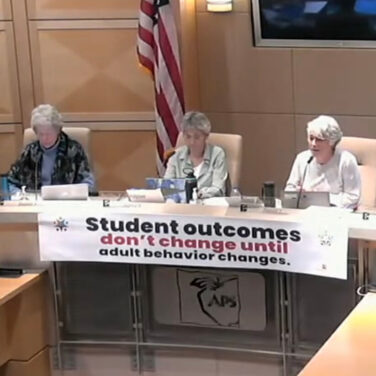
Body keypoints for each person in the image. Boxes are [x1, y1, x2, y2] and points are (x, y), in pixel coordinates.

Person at [7, 104, 95, 193]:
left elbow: (88, 183)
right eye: (41, 134)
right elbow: (10, 182)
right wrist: (19, 194)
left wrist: (73, 194)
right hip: (35, 203)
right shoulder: (30, 151)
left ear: (58, 131)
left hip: (65, 203)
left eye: (49, 134)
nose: (45, 138)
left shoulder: (73, 150)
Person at [285, 115, 361, 209]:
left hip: (336, 215)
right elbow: (288, 192)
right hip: (305, 213)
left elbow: (352, 197)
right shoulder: (302, 158)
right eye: (311, 138)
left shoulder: (346, 161)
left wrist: (317, 198)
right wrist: (296, 193)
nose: (313, 144)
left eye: (319, 139)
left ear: (331, 141)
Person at [164, 111, 228, 199]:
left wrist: (196, 193)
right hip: (181, 208)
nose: (192, 142)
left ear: (206, 136)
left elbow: (219, 189)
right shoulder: (175, 156)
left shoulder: (217, 154)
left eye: (197, 137)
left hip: (209, 208)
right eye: (188, 136)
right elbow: (166, 186)